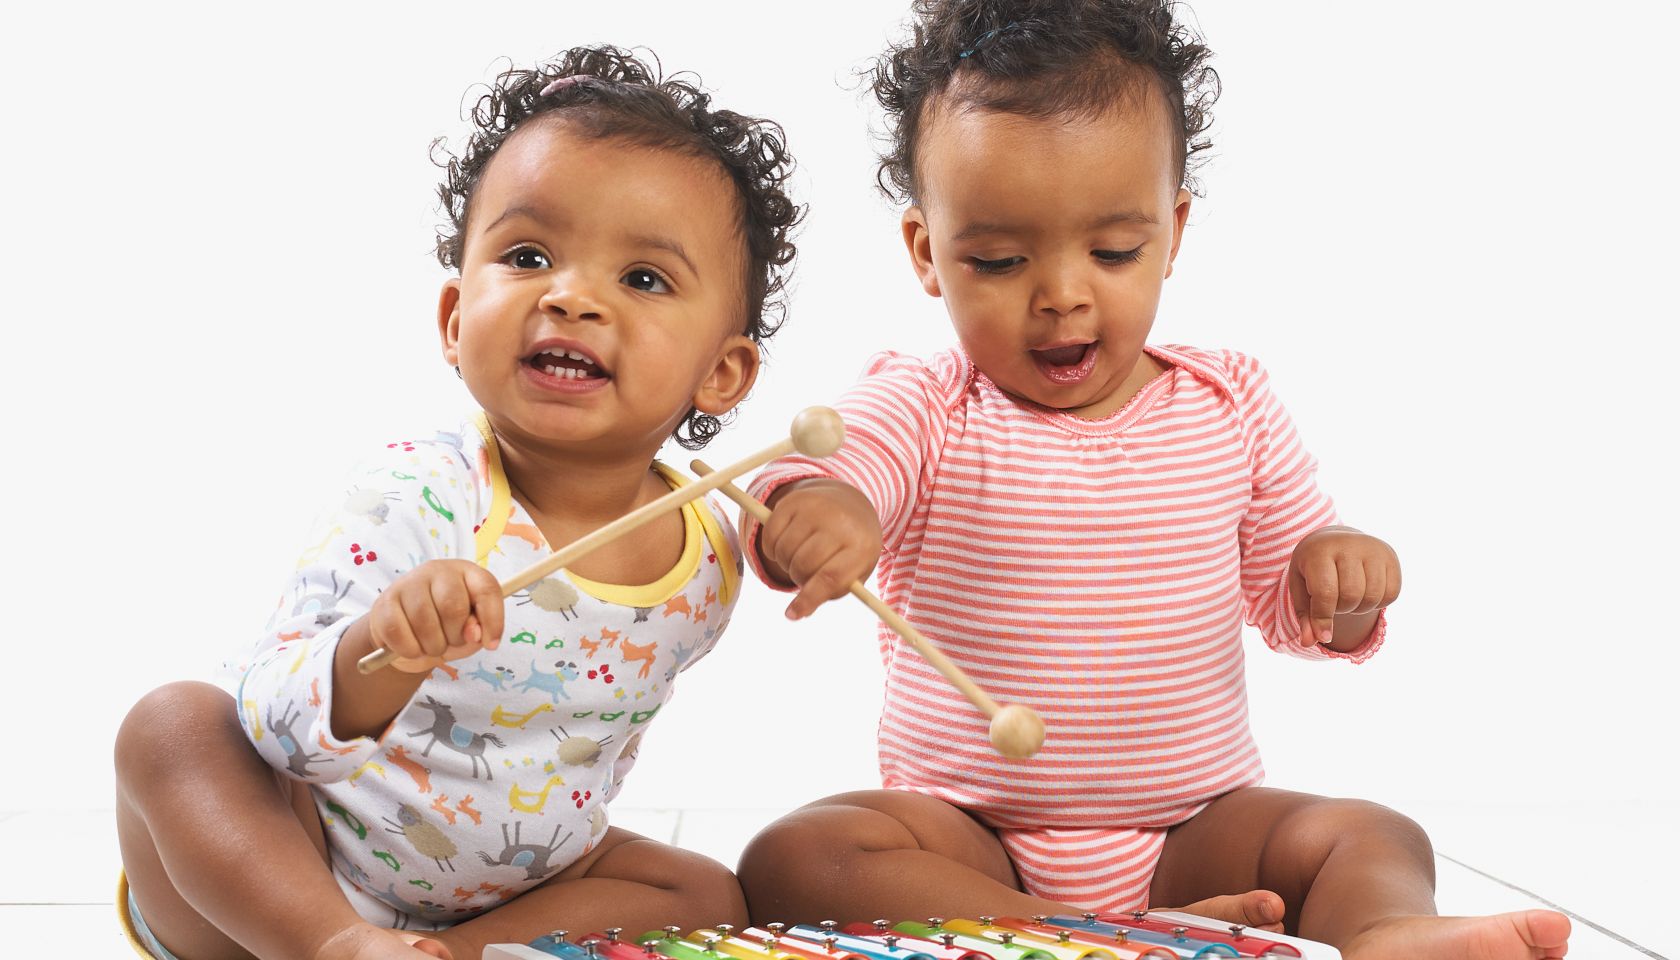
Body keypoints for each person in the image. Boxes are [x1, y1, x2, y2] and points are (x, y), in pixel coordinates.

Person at [732, 4, 1569, 959]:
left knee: (1371, 834)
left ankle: (1380, 932)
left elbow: (1295, 604)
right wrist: (819, 509)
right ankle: (1083, 936)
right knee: (799, 856)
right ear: (927, 251)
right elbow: (837, 465)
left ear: (1171, 231)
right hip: (972, 838)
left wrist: (1339, 579)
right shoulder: (930, 401)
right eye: (1000, 260)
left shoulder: (1228, 400)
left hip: (1194, 832)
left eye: (1114, 251)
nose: (1063, 295)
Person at [114, 45, 801, 960]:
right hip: (290, 872)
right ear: (453, 317)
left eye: (642, 279)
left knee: (701, 891)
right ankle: (338, 947)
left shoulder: (708, 548)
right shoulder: (421, 492)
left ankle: (457, 958)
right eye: (527, 256)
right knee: (174, 728)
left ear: (723, 372)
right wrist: (381, 648)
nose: (571, 296)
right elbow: (273, 720)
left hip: (511, 890)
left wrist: (817, 533)